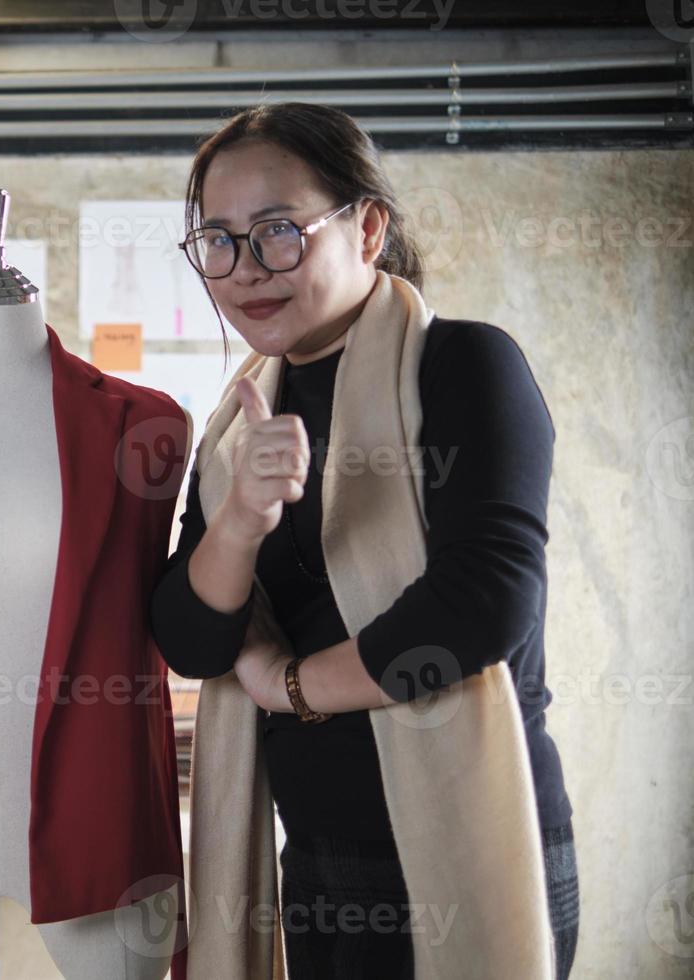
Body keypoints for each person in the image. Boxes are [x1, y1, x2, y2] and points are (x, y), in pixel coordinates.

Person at [150, 102, 578, 978]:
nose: (245, 269)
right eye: (218, 241)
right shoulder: (236, 432)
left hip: (478, 843)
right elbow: (190, 638)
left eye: (277, 230)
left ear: (369, 226)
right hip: (318, 856)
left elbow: (481, 606)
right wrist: (239, 523)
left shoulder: (463, 366)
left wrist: (291, 687)